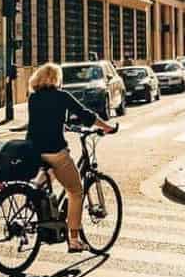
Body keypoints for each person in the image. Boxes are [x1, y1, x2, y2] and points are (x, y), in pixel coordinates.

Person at [25, 60, 117, 252]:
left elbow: (44, 119)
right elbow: (86, 115)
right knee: (75, 191)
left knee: (49, 170)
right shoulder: (62, 97)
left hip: (33, 150)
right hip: (55, 151)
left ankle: (35, 192)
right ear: (56, 79)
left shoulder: (33, 98)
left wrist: (64, 125)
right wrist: (107, 127)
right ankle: (74, 240)